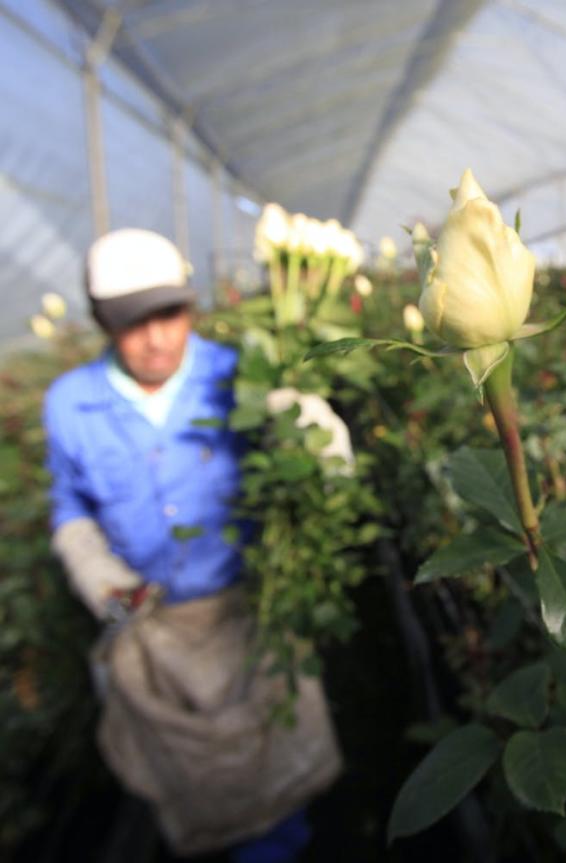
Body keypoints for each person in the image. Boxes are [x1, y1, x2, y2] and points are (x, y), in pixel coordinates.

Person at [43, 228, 339, 861]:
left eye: (169, 315)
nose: (155, 339)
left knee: (275, 763)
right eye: (132, 323)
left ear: (192, 306)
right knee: (191, 773)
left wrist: (315, 435)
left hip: (249, 612)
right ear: (101, 322)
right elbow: (72, 508)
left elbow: (315, 474)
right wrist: (96, 574)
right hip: (153, 624)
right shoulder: (71, 406)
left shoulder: (243, 377)